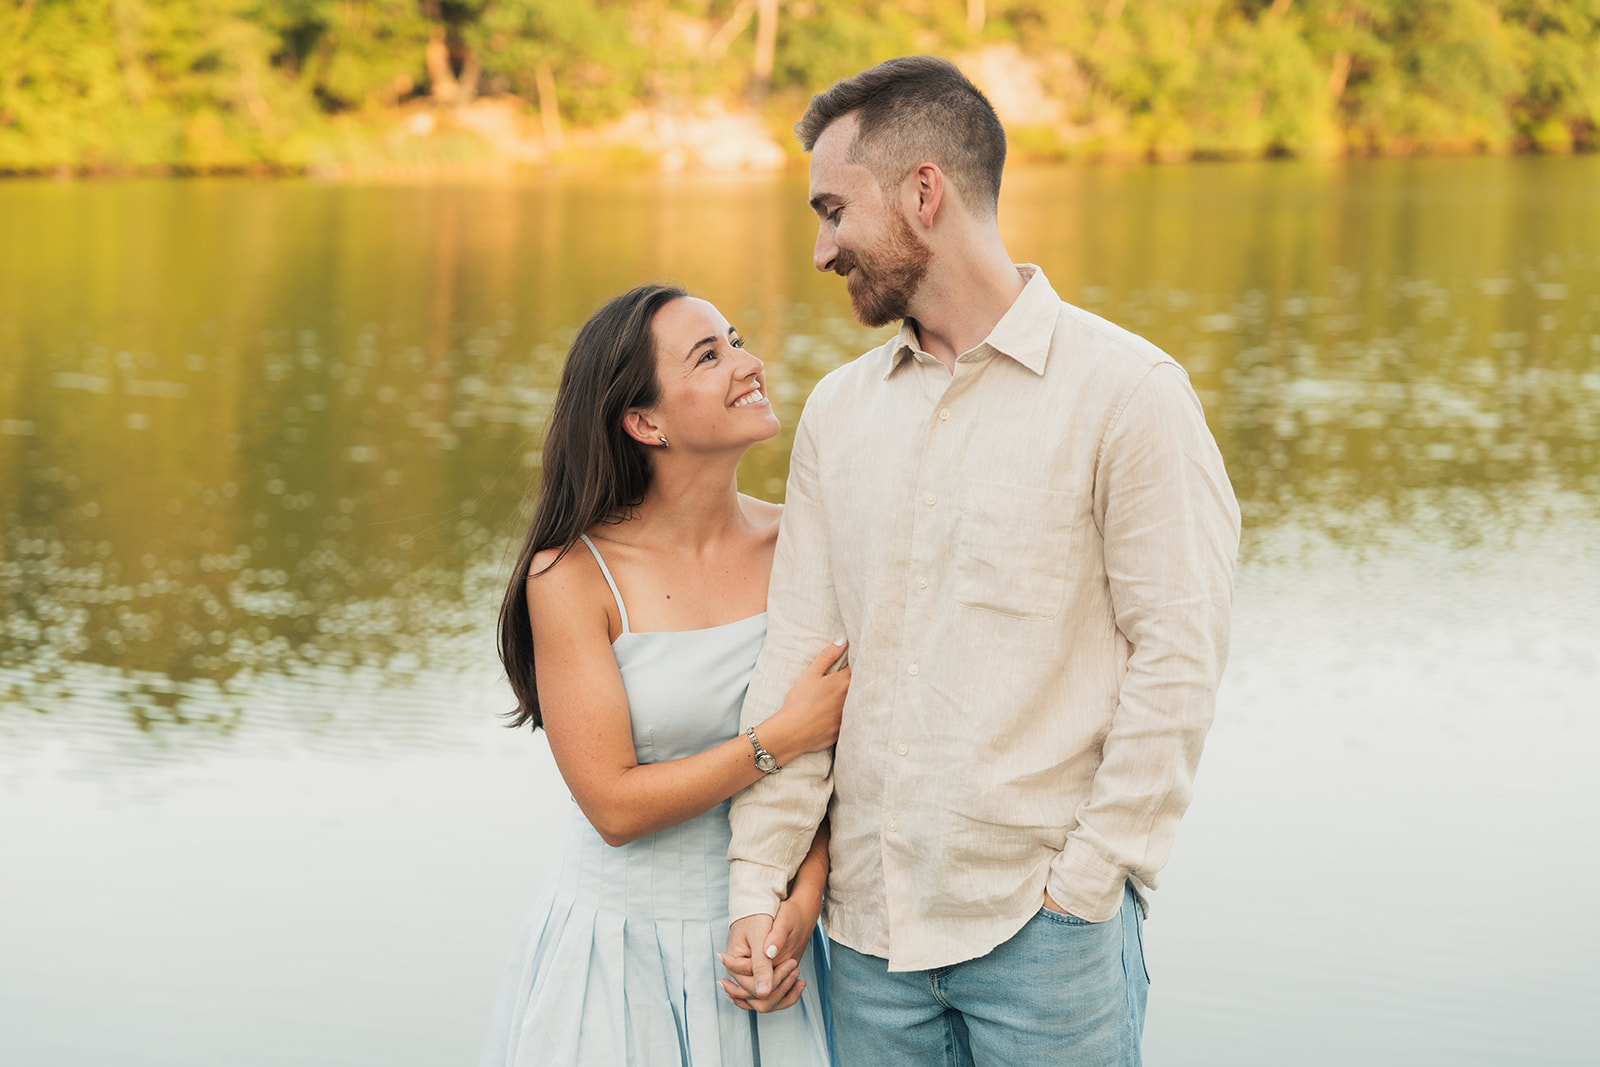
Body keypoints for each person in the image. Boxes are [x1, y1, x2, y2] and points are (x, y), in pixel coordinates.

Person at [720, 56, 1241, 1065]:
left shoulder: (1128, 393)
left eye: (835, 210)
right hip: (865, 943)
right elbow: (800, 656)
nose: (822, 250)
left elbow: (1177, 658)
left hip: (1046, 939)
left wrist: (1087, 882)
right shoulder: (838, 412)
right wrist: (758, 882)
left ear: (924, 192)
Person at [481, 284, 846, 1066]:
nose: (748, 364)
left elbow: (835, 764)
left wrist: (801, 902)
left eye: (737, 340)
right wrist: (777, 737)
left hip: (764, 946)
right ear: (644, 422)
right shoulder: (573, 575)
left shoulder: (804, 543)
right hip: (619, 955)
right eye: (708, 356)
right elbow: (612, 805)